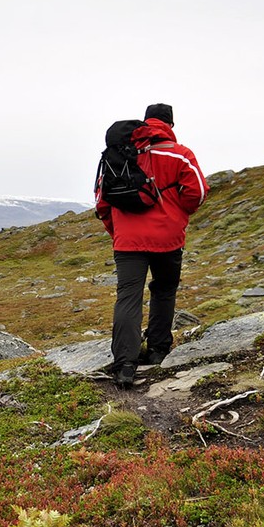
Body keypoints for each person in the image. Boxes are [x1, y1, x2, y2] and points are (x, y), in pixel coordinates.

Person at [95, 103, 209, 387]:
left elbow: (101, 201)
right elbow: (198, 192)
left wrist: (117, 231)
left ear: (145, 122)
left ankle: (124, 366)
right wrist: (178, 213)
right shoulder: (180, 154)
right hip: (168, 239)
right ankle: (158, 350)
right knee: (164, 290)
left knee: (128, 297)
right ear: (170, 124)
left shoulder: (118, 154)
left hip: (127, 241)